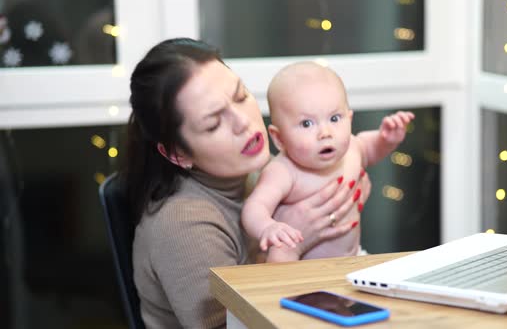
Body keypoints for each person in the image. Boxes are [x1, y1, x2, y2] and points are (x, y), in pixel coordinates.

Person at [123, 38, 370, 329]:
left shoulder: (258, 173)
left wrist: (344, 199)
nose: (244, 122)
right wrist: (293, 244)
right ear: (178, 154)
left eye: (240, 96)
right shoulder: (183, 225)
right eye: (214, 123)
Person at [242, 61, 414, 262]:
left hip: (354, 257)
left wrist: (386, 140)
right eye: (307, 123)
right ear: (279, 139)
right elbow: (254, 207)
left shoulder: (352, 148)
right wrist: (267, 227)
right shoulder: (283, 171)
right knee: (279, 260)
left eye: (334, 118)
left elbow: (372, 149)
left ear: (349, 119)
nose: (325, 133)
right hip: (301, 268)